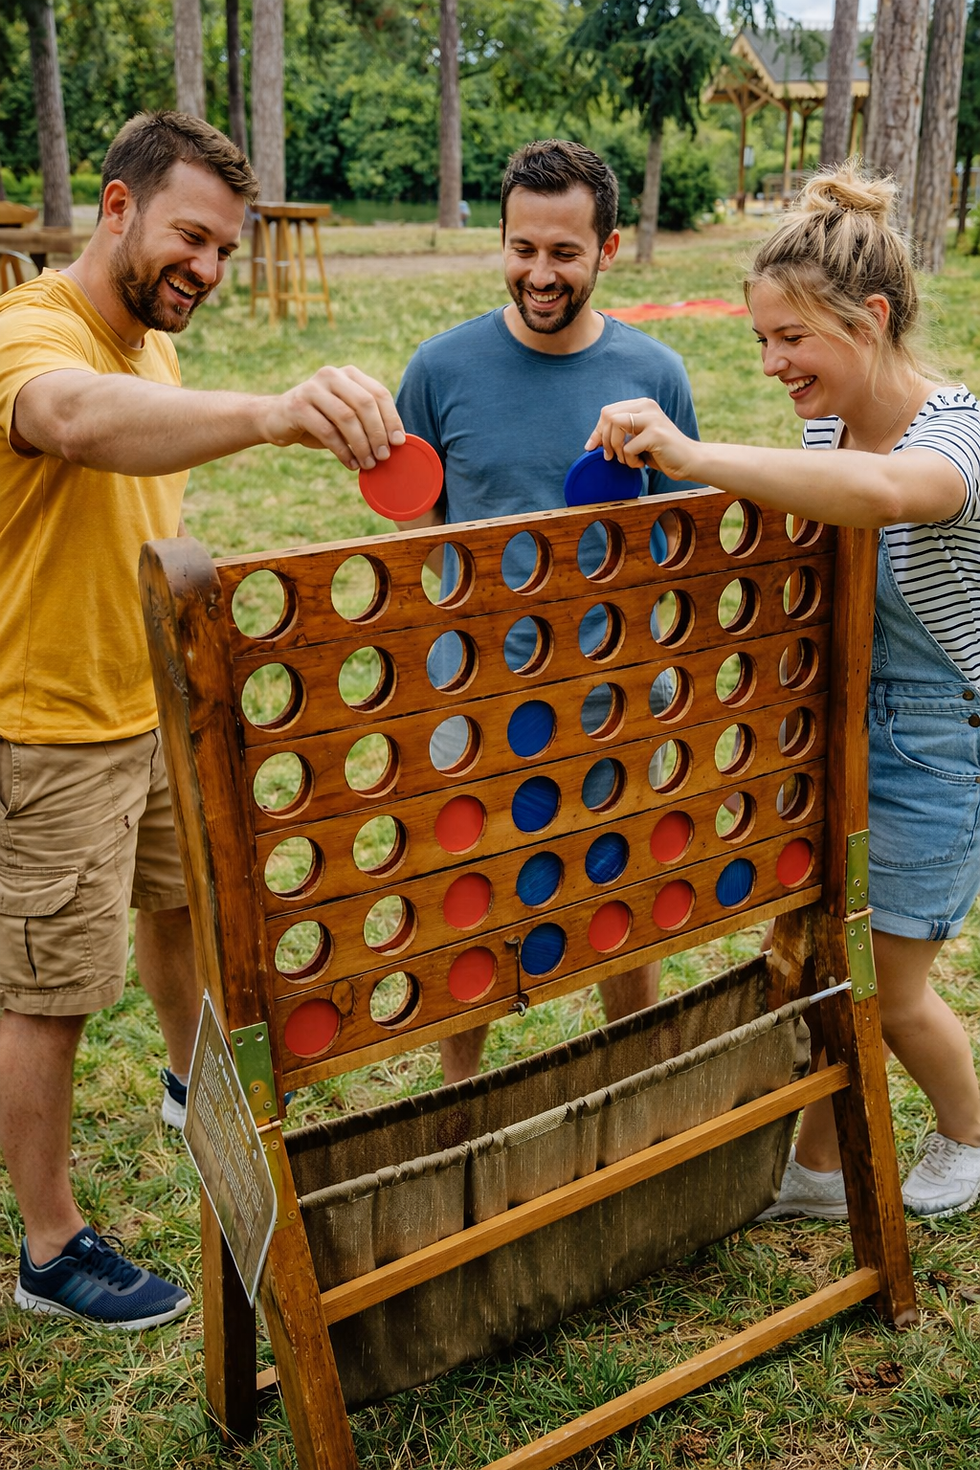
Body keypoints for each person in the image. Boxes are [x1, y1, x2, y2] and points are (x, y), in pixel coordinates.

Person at [0, 110, 404, 1330]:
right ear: (115, 209)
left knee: (185, 905)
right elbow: (70, 423)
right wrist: (277, 411)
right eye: (190, 238)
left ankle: (195, 1085)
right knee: (51, 991)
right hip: (50, 723)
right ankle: (51, 1244)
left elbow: (136, 494)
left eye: (224, 248)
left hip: (151, 704)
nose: (210, 270)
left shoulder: (155, 344)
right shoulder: (31, 331)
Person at [589, 159, 980, 1219]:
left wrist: (696, 452)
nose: (770, 362)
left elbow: (887, 496)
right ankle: (813, 1171)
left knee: (888, 991)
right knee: (815, 965)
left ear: (870, 320)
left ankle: (967, 1136)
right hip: (834, 718)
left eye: (789, 339)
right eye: (760, 339)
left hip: (936, 743)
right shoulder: (823, 430)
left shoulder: (953, 432)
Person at [395, 138, 700, 1083]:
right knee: (470, 919)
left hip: (611, 699)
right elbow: (423, 531)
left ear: (606, 251)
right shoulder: (439, 371)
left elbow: (677, 542)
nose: (540, 272)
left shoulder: (658, 375)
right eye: (523, 248)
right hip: (475, 708)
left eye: (564, 252)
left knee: (624, 903)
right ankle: (458, 1108)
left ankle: (636, 1081)